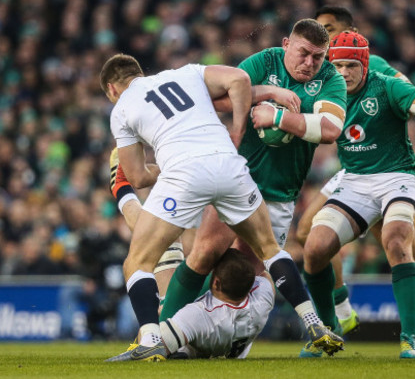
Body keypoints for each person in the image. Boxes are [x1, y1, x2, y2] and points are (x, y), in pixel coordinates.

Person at [101, 53, 340, 361]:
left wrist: (160, 169)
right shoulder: (184, 73)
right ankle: (314, 323)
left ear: (112, 89)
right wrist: (240, 127)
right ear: (140, 72)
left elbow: (137, 176)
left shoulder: (121, 108)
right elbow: (238, 80)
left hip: (184, 175)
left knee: (138, 261)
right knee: (270, 250)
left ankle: (150, 339)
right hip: (231, 165)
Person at [297, 6, 415, 355]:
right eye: (334, 61)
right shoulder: (321, 82)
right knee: (312, 243)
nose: (321, 38)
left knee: (398, 241)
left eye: (327, 30)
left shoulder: (382, 76)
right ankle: (333, 325)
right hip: (353, 174)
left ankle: (405, 335)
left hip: (395, 173)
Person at [157, 19, 347, 353]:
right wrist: (268, 93)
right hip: (237, 178)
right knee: (204, 254)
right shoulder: (264, 62)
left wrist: (278, 118)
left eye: (318, 57)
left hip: (280, 193)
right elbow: (217, 99)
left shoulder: (330, 79)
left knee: (247, 276)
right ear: (287, 44)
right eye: (304, 53)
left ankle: (229, 344)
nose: (310, 63)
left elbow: (331, 129)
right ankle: (161, 337)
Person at [109, 162, 274, 360]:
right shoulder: (262, 299)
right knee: (163, 244)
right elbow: (263, 274)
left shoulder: (198, 315)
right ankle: (123, 191)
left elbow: (154, 344)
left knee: (158, 244)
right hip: (220, 347)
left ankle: (122, 190)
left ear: (216, 281)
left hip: (187, 339)